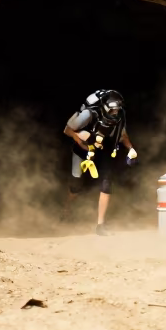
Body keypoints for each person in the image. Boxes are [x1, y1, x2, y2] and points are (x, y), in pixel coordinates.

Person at [62, 89, 137, 236]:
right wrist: (82, 140)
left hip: (102, 149)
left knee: (107, 182)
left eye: (117, 109)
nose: (115, 113)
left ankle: (100, 225)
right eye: (112, 109)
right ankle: (66, 210)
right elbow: (67, 130)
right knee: (76, 185)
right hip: (82, 149)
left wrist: (131, 149)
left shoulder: (120, 116)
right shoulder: (89, 114)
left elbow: (122, 134)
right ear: (104, 107)